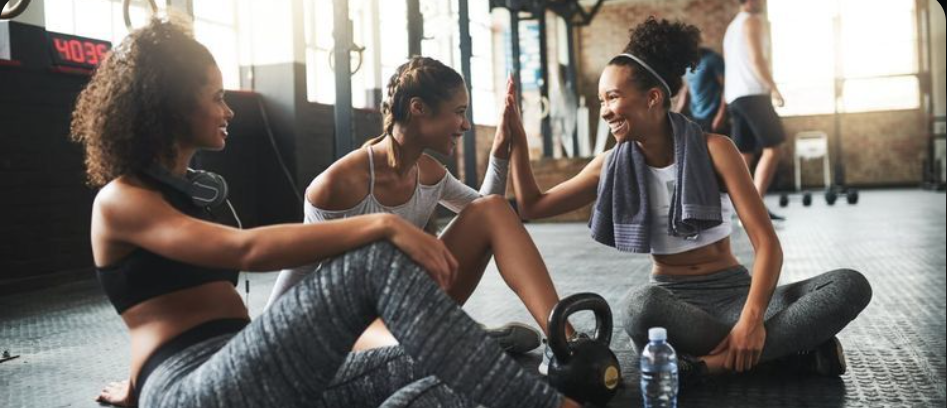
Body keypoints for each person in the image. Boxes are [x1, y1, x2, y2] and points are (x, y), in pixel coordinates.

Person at [76, 17, 580, 408]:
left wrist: (135, 388)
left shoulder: (183, 194)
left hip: (255, 370)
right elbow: (244, 250)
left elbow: (151, 310)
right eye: (216, 98)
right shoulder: (121, 200)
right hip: (193, 387)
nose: (228, 110)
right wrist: (381, 224)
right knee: (374, 261)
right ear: (170, 106)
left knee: (447, 369)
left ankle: (509, 361)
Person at [502, 16, 872, 384]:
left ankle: (703, 367)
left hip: (737, 296)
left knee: (849, 285)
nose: (605, 111)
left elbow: (767, 244)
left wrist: (752, 319)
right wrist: (517, 140)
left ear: (652, 98)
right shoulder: (609, 165)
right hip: (674, 307)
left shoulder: (716, 150)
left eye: (613, 97)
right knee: (638, 306)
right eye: (602, 101)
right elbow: (533, 206)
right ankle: (781, 354)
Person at [266, 56, 570, 356]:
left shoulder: (430, 174)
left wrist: (501, 147)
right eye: (459, 112)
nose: (465, 124)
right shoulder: (339, 184)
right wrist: (261, 346)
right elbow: (298, 268)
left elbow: (491, 217)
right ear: (418, 108)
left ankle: (567, 342)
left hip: (409, 304)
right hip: (354, 324)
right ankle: (459, 337)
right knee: (417, 352)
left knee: (494, 209)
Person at [723, 0, 788, 220]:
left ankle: (741, 208)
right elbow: (757, 59)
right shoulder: (752, 21)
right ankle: (755, 208)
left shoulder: (731, 27)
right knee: (774, 148)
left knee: (744, 153)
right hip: (753, 93)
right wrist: (774, 88)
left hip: (735, 97)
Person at [675, 47, 728, 135]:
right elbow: (687, 89)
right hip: (695, 116)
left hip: (713, 116)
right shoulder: (687, 65)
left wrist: (721, 115)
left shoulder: (712, 59)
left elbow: (726, 87)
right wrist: (676, 114)